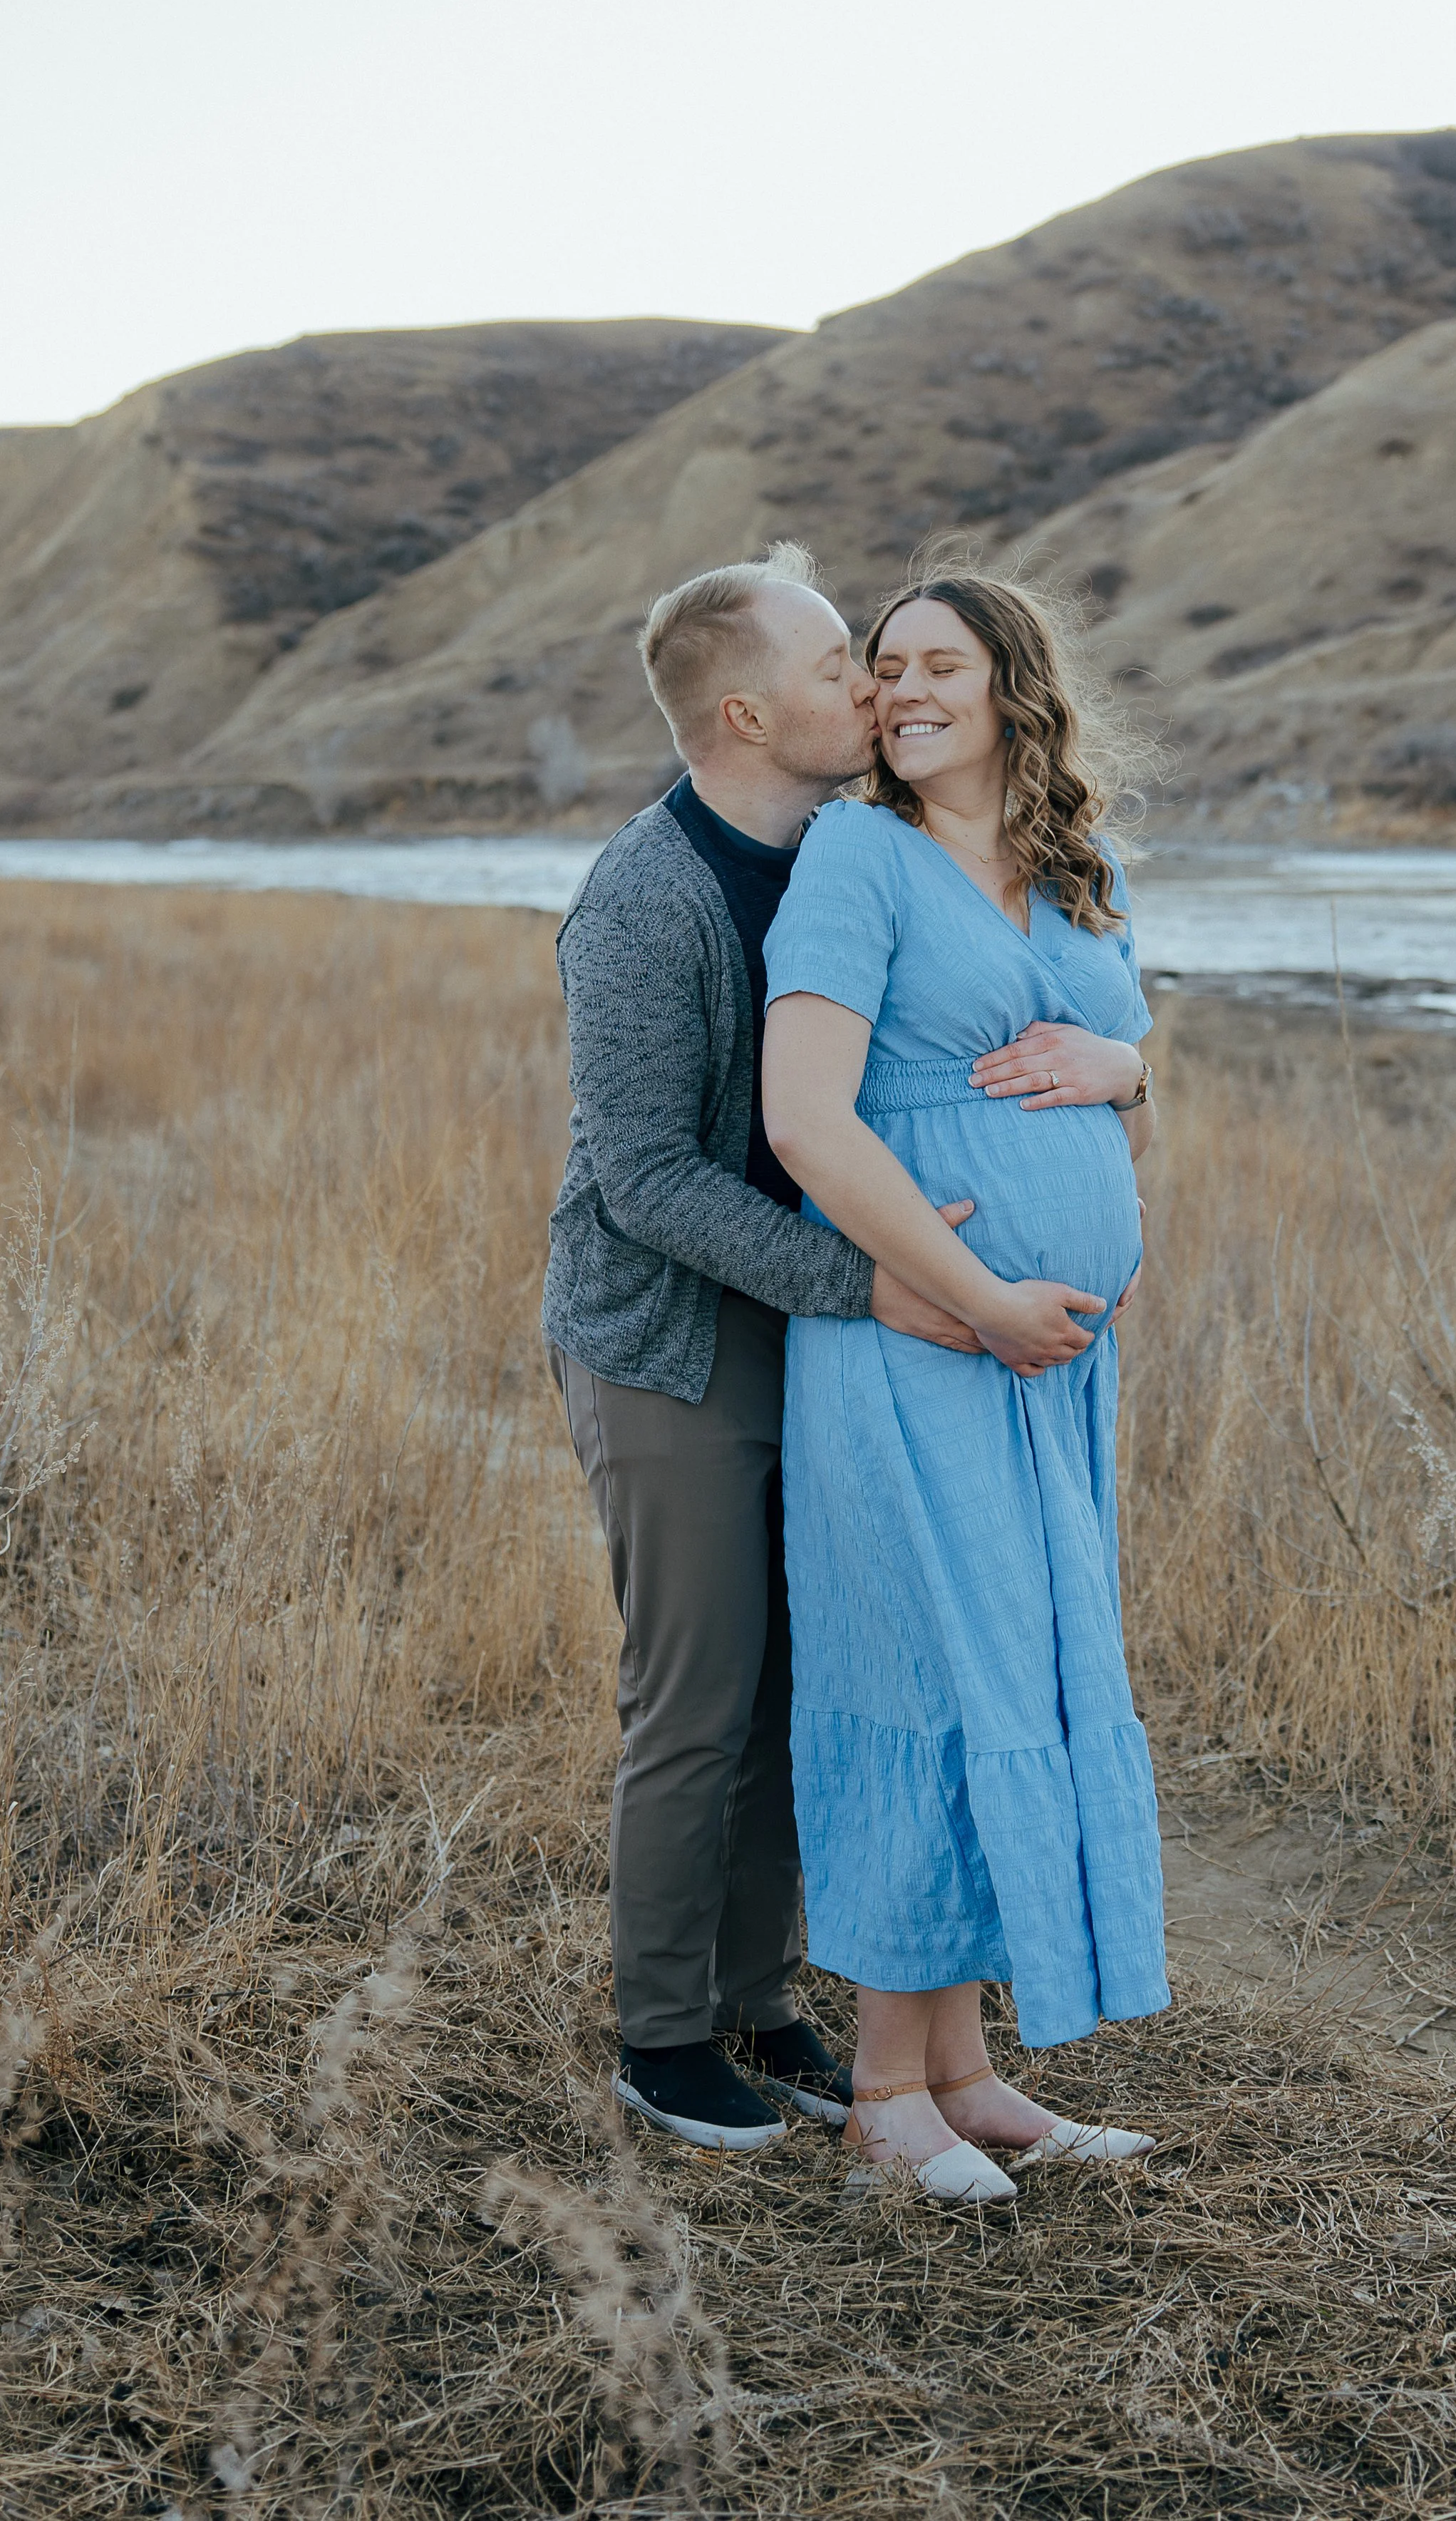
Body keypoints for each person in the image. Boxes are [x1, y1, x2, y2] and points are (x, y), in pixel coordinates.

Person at [541, 543, 986, 2153]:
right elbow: (642, 1179)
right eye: (827, 673)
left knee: (800, 1684)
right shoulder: (644, 904)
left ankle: (758, 2000)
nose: (865, 689)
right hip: (667, 1343)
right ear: (741, 713)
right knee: (696, 1695)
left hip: (812, 1330)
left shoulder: (848, 856)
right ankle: (660, 2040)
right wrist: (862, 1283)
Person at [761, 569, 1170, 2205]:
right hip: (922, 1336)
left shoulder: (1082, 864)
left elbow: (1125, 1080)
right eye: (881, 667)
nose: (901, 688)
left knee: (1018, 1668)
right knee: (921, 1673)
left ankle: (966, 2072)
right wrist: (980, 1292)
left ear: (1013, 683)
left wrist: (1126, 1067)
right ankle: (880, 2098)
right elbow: (807, 1119)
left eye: (938, 661)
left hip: (1054, 1359)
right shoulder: (857, 859)